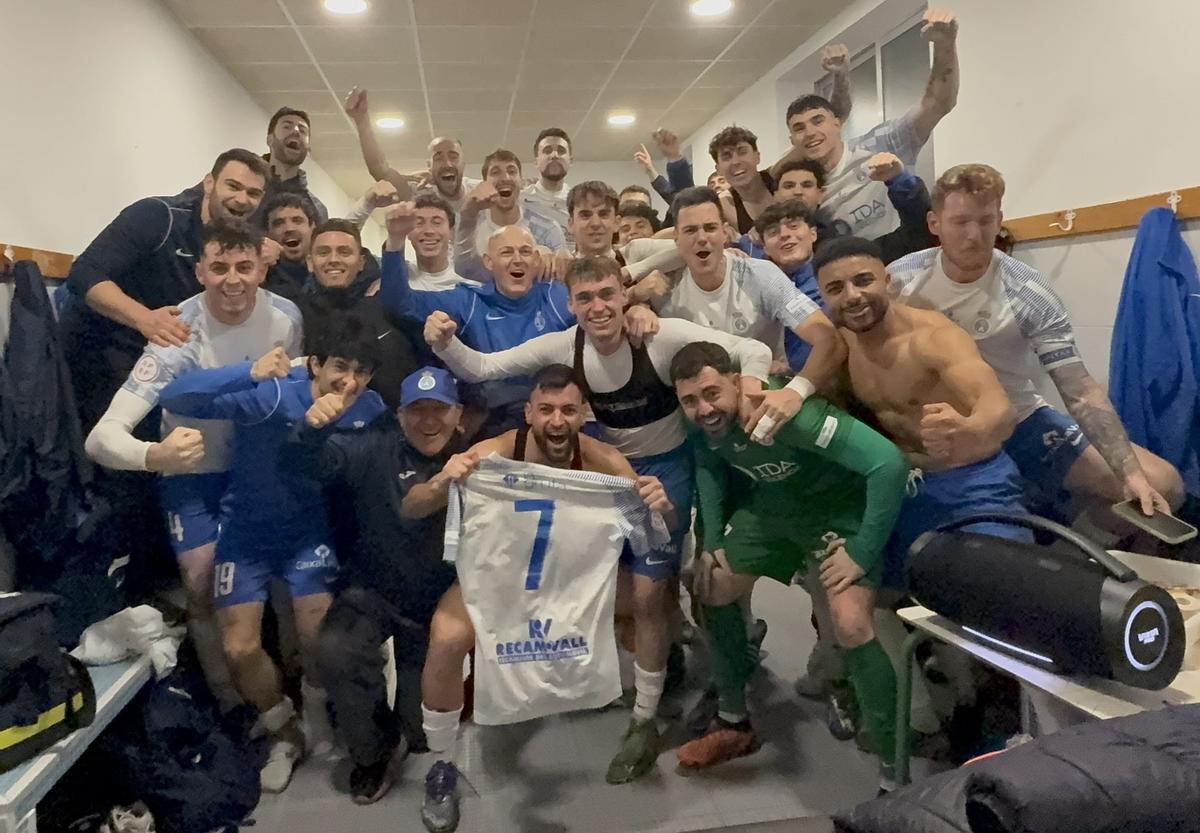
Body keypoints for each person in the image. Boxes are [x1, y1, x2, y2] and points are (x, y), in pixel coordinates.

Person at [426, 255, 798, 788]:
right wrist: (444, 343)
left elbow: (755, 349)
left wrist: (759, 390)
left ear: (624, 295)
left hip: (663, 471)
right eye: (585, 298)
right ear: (571, 305)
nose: (598, 307)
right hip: (598, 468)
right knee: (601, 581)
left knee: (656, 589)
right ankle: (651, 665)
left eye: (607, 294)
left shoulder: (662, 335)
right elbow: (483, 368)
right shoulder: (563, 346)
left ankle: (652, 707)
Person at [415, 363, 672, 831]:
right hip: (499, 582)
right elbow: (420, 506)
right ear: (529, 413)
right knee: (448, 637)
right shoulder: (492, 455)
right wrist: (444, 479)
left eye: (569, 411)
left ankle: (645, 713)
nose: (558, 421)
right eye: (547, 410)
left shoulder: (604, 461)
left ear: (584, 414)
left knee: (653, 600)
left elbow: (652, 538)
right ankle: (441, 763)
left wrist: (659, 506)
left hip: (570, 584)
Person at [156, 316, 388, 793]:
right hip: (245, 537)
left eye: (361, 372)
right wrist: (248, 373)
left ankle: (318, 708)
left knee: (316, 640)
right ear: (316, 364)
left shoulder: (370, 405)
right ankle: (285, 733)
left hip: (309, 536)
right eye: (339, 368)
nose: (348, 381)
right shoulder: (273, 393)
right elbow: (174, 397)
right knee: (239, 647)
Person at [84, 220, 303, 712]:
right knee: (201, 588)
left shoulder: (286, 317)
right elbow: (100, 439)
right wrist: (153, 456)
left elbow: (290, 392)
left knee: (283, 582)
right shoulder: (177, 330)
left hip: (256, 470)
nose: (233, 279)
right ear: (200, 271)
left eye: (244, 267)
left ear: (262, 269)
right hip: (193, 477)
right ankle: (231, 709)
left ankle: (293, 691)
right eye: (219, 267)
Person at [887, 164, 1184, 526]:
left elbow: (1079, 391)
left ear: (999, 220)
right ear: (935, 224)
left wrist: (1130, 474)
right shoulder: (899, 280)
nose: (973, 235)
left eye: (985, 221)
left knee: (1163, 485)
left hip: (1019, 420)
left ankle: (1078, 544)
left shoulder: (1029, 291)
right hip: (936, 427)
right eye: (960, 222)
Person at [669, 342, 907, 790]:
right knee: (711, 582)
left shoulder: (785, 413)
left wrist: (862, 551)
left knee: (851, 623)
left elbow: (888, 466)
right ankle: (734, 721)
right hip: (775, 511)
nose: (704, 409)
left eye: (712, 393)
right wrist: (713, 540)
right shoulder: (702, 425)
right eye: (690, 401)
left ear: (738, 382)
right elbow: (708, 469)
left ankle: (895, 775)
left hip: (838, 513)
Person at [293, 366, 467, 805]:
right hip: (371, 591)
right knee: (334, 649)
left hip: (435, 606)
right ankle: (372, 752)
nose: (429, 422)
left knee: (423, 732)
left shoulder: (476, 458)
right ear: (399, 414)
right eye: (417, 411)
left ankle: (408, 726)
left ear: (459, 414)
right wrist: (311, 429)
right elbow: (308, 462)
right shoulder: (372, 446)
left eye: (440, 411)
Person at [812, 235, 1030, 572]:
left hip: (973, 484)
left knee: (1003, 585)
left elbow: (1000, 409)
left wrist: (971, 427)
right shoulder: (842, 344)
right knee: (872, 587)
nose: (852, 296)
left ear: (888, 281)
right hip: (905, 488)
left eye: (863, 280)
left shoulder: (933, 337)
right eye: (836, 288)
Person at [62, 148, 270, 430]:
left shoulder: (242, 239)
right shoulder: (158, 216)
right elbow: (84, 273)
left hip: (169, 363)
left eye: (253, 193)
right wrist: (144, 318)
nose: (242, 199)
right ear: (209, 183)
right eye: (233, 186)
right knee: (118, 458)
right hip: (105, 358)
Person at [380, 204, 576, 435]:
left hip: (557, 418)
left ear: (535, 259)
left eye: (524, 252)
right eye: (506, 252)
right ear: (488, 262)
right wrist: (395, 241)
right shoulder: (470, 300)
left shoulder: (558, 294)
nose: (517, 260)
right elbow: (400, 304)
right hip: (494, 422)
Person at [631, 187, 846, 389]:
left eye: (710, 228)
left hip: (768, 388)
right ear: (676, 239)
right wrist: (635, 302)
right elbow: (614, 264)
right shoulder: (659, 285)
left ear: (725, 233)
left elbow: (828, 338)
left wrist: (797, 391)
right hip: (702, 404)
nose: (702, 238)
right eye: (690, 230)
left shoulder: (761, 275)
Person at [778, 8, 960, 239]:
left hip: (907, 262)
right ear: (792, 140)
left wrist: (946, 44)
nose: (810, 132)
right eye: (799, 128)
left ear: (838, 123)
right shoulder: (797, 184)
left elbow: (937, 103)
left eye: (818, 121)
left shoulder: (882, 144)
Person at [299, 218, 427, 411]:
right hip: (323, 427)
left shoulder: (389, 303)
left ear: (361, 262)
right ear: (310, 262)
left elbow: (431, 355)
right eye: (323, 252)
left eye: (344, 252)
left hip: (397, 427)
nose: (333, 259)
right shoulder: (298, 313)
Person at [344, 87, 469, 212]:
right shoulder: (419, 194)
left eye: (453, 156)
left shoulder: (478, 191)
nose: (447, 163)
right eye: (438, 158)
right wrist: (361, 120)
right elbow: (380, 169)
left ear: (463, 163)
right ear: (429, 167)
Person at [456, 149, 567, 281]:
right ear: (483, 183)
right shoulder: (471, 227)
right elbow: (462, 272)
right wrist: (467, 217)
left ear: (521, 181)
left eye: (512, 171)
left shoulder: (548, 229)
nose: (505, 178)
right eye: (496, 172)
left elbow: (563, 279)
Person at [263, 106, 328, 223]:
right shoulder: (246, 188)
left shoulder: (316, 209)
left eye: (303, 131)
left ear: (308, 148)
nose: (296, 131)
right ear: (270, 139)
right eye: (287, 127)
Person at [708, 126, 775, 235]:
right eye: (726, 156)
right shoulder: (725, 204)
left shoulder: (778, 177)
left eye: (742, 152)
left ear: (757, 156)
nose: (735, 162)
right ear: (718, 169)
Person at [405, 193, 478, 292]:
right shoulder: (401, 278)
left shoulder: (469, 281)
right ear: (408, 233)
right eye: (419, 223)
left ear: (451, 231)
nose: (429, 231)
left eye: (437, 223)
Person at [263, 191, 319, 302]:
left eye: (297, 221)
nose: (289, 228)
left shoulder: (328, 269)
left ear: (312, 227)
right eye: (278, 223)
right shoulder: (259, 277)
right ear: (267, 234)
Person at [522, 127, 574, 245]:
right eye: (547, 150)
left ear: (570, 160)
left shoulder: (579, 202)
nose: (554, 155)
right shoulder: (520, 201)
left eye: (561, 150)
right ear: (536, 162)